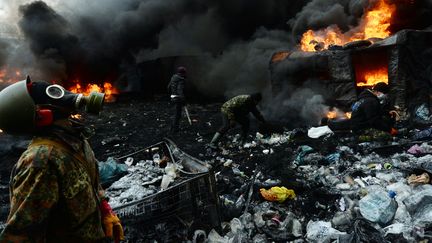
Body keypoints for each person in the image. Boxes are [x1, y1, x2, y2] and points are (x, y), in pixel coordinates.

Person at [0, 77, 124, 242]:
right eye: (53, 93)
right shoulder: (41, 163)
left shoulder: (76, 139)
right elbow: (20, 236)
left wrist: (105, 209)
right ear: (41, 115)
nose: (63, 94)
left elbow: (91, 183)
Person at [328, 82, 397, 135]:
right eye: (384, 94)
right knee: (385, 135)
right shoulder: (371, 101)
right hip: (361, 129)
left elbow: (373, 111)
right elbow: (374, 120)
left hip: (356, 125)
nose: (384, 96)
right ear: (378, 92)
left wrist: (387, 112)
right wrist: (389, 130)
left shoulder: (364, 98)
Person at [168, 66, 187, 134]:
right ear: (183, 73)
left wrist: (171, 95)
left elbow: (168, 87)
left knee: (175, 113)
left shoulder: (173, 77)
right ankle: (174, 130)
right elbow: (180, 90)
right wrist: (183, 100)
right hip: (177, 98)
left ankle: (173, 128)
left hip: (173, 97)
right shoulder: (181, 79)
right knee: (177, 115)